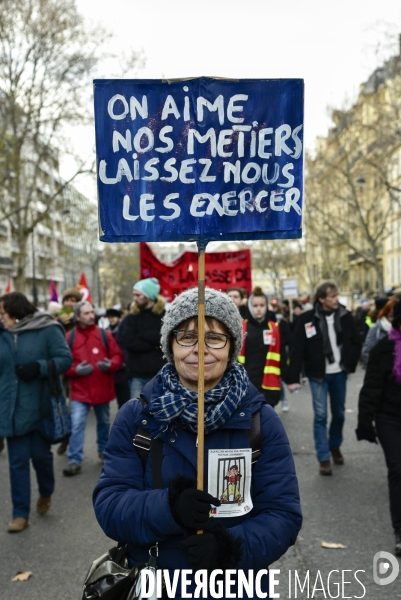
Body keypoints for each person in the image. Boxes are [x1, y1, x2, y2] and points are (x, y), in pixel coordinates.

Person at [93, 288, 302, 598]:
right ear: (170, 345)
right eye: (187, 337)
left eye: (215, 338)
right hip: (156, 586)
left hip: (235, 588)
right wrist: (168, 507)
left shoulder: (260, 420)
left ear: (231, 347)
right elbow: (110, 506)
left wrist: (230, 549)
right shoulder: (137, 418)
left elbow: (283, 515)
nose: (200, 350)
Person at [0, 292, 72, 532]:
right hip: (11, 410)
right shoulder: (3, 335)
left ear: (16, 311)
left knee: (41, 458)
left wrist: (38, 367)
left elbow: (64, 359)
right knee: (17, 462)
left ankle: (45, 492)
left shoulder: (48, 328)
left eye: (3, 313)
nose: (1, 318)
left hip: (41, 408)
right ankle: (20, 514)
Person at [287, 281, 361, 475]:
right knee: (320, 416)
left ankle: (334, 444)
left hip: (339, 373)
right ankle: (324, 457)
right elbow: (298, 349)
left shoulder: (345, 316)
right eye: (333, 296)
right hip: (317, 375)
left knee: (339, 413)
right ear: (321, 299)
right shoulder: (306, 319)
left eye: (337, 296)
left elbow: (355, 341)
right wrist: (292, 377)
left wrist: (349, 364)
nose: (337, 299)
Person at [356, 299, 401, 557]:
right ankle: (400, 530)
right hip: (390, 418)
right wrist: (365, 423)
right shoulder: (383, 349)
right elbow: (371, 389)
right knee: (398, 468)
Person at [63, 301, 123, 476]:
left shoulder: (104, 335)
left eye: (92, 312)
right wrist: (75, 370)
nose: (91, 315)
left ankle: (104, 452)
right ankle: (74, 459)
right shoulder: (69, 337)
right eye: (86, 313)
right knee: (76, 425)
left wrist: (110, 364)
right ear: (78, 317)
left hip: (101, 389)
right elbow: (63, 363)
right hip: (80, 391)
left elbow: (118, 356)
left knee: (104, 422)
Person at [116, 277, 166, 399]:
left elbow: (164, 339)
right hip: (137, 375)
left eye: (138, 295)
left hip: (160, 375)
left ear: (148, 295)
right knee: (137, 413)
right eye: (134, 295)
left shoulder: (164, 316)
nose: (134, 298)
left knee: (159, 413)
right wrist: (154, 345)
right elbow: (128, 341)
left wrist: (141, 335)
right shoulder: (131, 318)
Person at [238, 286, 282, 407]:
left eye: (262, 306)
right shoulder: (241, 327)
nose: (258, 309)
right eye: (255, 306)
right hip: (247, 383)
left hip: (268, 384)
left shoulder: (274, 327)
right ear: (250, 307)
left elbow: (281, 354)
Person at [106, 307, 131, 409]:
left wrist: (124, 361)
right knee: (118, 395)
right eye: (109, 317)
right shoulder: (106, 332)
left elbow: (126, 347)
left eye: (113, 317)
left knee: (125, 395)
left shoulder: (123, 329)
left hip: (124, 367)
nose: (111, 319)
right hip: (113, 367)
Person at [361, 299, 395, 367]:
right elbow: (367, 351)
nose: (394, 319)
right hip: (382, 372)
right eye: (391, 316)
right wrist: (375, 370)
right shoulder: (376, 327)